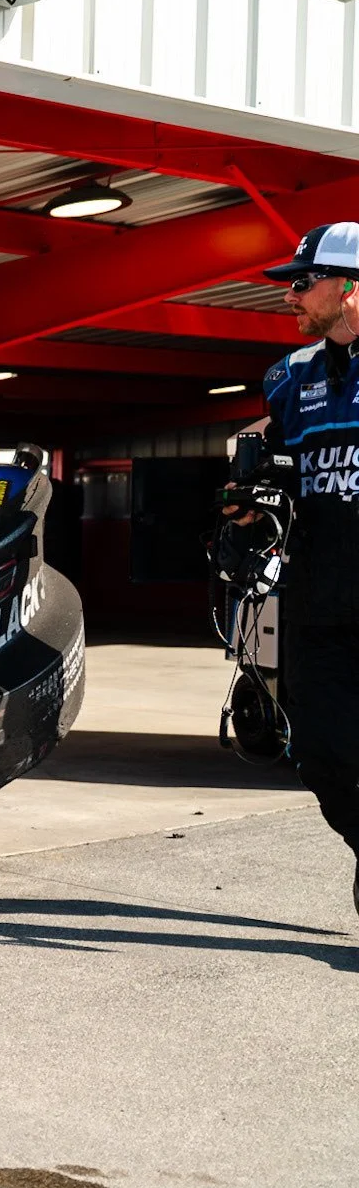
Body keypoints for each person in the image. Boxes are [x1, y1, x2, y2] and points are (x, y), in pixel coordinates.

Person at [236, 221, 359, 914]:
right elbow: (279, 471)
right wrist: (247, 509)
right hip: (319, 599)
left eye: (302, 281)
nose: (290, 295)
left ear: (350, 287)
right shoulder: (289, 377)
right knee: (320, 755)